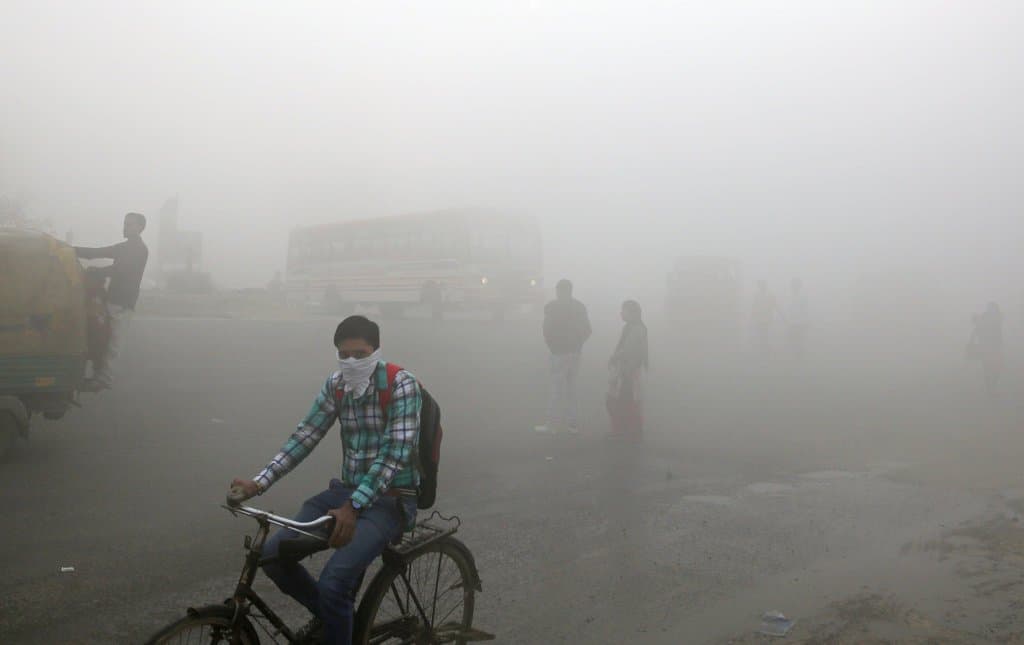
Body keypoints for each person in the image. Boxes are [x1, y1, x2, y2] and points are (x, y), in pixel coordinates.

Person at [228, 315, 421, 645]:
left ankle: (337, 621)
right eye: (344, 355)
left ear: (376, 351)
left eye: (360, 354)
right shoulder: (337, 385)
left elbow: (394, 454)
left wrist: (354, 506)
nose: (352, 362)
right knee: (273, 556)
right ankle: (340, 622)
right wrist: (258, 483)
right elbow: (306, 435)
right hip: (345, 494)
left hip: (391, 500)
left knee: (333, 584)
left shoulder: (402, 384)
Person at [74, 212, 149, 390]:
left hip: (123, 303)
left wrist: (97, 272)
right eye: (125, 223)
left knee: (114, 343)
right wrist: (68, 249)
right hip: (110, 300)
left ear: (140, 228)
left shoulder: (140, 250)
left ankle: (104, 379)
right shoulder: (123, 247)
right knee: (100, 339)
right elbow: (96, 253)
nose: (125, 227)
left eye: (130, 224)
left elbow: (121, 269)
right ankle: (97, 375)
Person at [536, 279, 591, 434]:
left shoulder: (552, 307)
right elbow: (587, 330)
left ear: (558, 291)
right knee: (572, 388)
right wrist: (578, 343)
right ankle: (573, 424)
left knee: (556, 389)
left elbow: (546, 329)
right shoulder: (580, 307)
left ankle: (552, 425)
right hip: (575, 353)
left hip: (558, 353)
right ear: (571, 290)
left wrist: (552, 346)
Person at [606, 300, 648, 441]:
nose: (621, 313)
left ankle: (624, 431)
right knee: (628, 401)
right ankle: (631, 430)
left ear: (632, 313)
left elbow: (628, 349)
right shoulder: (634, 327)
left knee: (620, 401)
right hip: (629, 369)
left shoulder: (636, 329)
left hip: (629, 370)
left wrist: (614, 357)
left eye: (624, 311)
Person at [968, 302, 1004, 397]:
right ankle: (990, 389)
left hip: (993, 348)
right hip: (988, 348)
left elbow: (977, 326)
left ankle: (991, 388)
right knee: (990, 368)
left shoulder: (996, 318)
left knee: (993, 368)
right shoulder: (988, 318)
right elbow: (977, 326)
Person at [750, 280, 779, 357]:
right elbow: (754, 306)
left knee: (764, 334)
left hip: (766, 318)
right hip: (760, 318)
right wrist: (752, 316)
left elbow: (775, 305)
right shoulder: (757, 296)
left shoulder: (770, 295)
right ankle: (764, 350)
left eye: (762, 285)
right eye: (760, 285)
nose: (762, 287)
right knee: (762, 334)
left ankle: (765, 350)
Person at [786, 278, 809, 360]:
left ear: (799, 286)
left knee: (799, 339)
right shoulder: (791, 296)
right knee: (793, 338)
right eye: (793, 285)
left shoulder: (802, 296)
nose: (793, 287)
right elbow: (790, 309)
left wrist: (806, 321)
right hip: (793, 322)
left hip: (800, 322)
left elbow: (805, 309)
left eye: (795, 285)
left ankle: (799, 356)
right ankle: (796, 355)